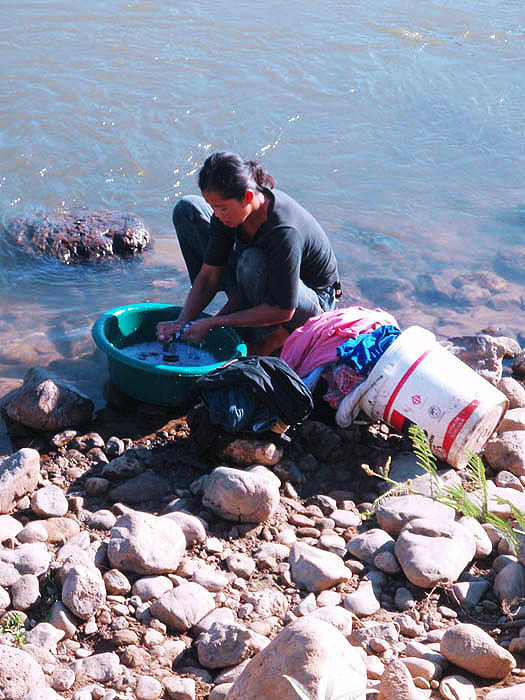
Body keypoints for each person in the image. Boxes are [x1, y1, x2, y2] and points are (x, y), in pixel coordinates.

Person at [157, 151, 341, 355]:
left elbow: (284, 309)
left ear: (248, 196)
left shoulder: (283, 231)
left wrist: (216, 322)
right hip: (267, 278)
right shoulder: (228, 214)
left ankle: (275, 335)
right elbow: (209, 274)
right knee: (188, 209)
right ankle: (239, 302)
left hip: (309, 301)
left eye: (223, 209)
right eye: (213, 207)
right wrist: (182, 320)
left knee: (251, 261)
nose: (217, 215)